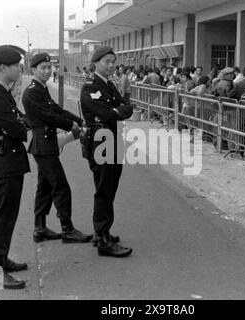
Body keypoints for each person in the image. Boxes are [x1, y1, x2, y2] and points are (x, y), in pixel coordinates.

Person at [22, 53, 92, 244]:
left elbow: (57, 110)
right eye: (43, 68)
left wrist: (79, 120)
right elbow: (49, 116)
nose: (47, 71)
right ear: (33, 69)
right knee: (61, 187)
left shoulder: (41, 89)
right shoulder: (32, 92)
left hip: (46, 144)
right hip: (43, 145)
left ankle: (40, 228)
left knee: (44, 187)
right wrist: (72, 126)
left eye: (49, 67)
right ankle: (67, 229)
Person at [0, 45, 30, 290]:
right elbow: (19, 129)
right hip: (4, 164)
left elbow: (20, 120)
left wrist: (22, 123)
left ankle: (2, 260)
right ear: (3, 67)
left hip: (9, 162)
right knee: (2, 218)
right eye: (16, 65)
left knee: (9, 216)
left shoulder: (2, 92)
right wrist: (21, 125)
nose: (20, 68)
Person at [80, 46, 134, 257]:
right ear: (95, 63)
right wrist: (116, 112)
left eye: (113, 61)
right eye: (107, 62)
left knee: (110, 187)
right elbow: (105, 112)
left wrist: (116, 112)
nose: (111, 65)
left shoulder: (108, 85)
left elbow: (126, 107)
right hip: (101, 142)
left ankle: (102, 231)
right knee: (104, 189)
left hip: (111, 140)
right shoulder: (91, 87)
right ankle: (102, 239)